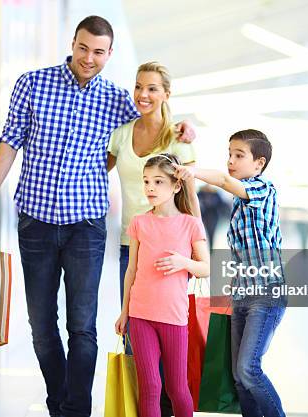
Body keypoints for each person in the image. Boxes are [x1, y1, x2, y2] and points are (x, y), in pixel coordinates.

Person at [0, 16, 194, 417]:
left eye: (98, 52)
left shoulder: (116, 99)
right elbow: (9, 143)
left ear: (109, 54)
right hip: (36, 222)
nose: (88, 58)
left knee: (83, 327)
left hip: (86, 227)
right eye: (83, 48)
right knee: (41, 327)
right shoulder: (32, 83)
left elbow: (153, 116)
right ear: (72, 43)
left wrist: (184, 127)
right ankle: (58, 401)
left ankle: (75, 410)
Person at [107, 61, 199, 416]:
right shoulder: (121, 134)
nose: (143, 95)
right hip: (132, 244)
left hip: (172, 250)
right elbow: (94, 170)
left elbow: (189, 194)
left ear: (166, 94)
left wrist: (196, 242)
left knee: (170, 343)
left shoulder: (178, 137)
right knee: (136, 339)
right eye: (139, 87)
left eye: (152, 89)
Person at [174, 129, 286, 417]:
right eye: (230, 154)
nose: (231, 161)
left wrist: (193, 171)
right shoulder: (238, 200)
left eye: (239, 155)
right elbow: (200, 215)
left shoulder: (263, 189)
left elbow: (223, 181)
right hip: (241, 296)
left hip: (266, 294)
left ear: (259, 163)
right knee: (238, 376)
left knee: (249, 369)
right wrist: (187, 181)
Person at [115, 154, 210, 417]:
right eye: (146, 182)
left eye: (158, 182)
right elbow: (131, 270)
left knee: (177, 388)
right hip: (140, 315)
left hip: (174, 317)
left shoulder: (191, 224)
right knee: (150, 385)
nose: (150, 188)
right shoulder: (139, 222)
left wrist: (183, 262)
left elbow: (206, 268)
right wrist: (125, 312)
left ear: (176, 186)